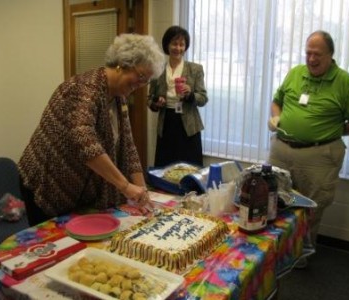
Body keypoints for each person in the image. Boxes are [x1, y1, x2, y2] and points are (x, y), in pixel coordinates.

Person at [18, 33, 165, 226]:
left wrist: (142, 189)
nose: (141, 85)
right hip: (47, 183)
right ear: (123, 64)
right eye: (140, 76)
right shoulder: (84, 89)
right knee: (56, 244)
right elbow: (85, 142)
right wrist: (126, 187)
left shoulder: (119, 98)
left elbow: (128, 147)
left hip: (77, 187)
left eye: (146, 81)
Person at [267, 30, 349, 267]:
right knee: (273, 199)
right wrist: (277, 118)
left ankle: (299, 256)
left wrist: (332, 132)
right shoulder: (295, 73)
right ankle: (272, 251)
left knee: (311, 207)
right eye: (308, 53)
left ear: (331, 55)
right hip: (282, 149)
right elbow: (276, 101)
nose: (311, 59)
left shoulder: (346, 83)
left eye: (317, 55)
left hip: (318, 156)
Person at [148, 25, 208, 167]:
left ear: (186, 46)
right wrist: (156, 102)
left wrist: (190, 94)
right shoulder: (158, 69)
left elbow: (203, 98)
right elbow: (150, 98)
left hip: (189, 126)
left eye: (182, 44)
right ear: (167, 45)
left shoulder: (195, 69)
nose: (178, 48)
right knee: (166, 166)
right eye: (174, 43)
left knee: (190, 168)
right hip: (167, 122)